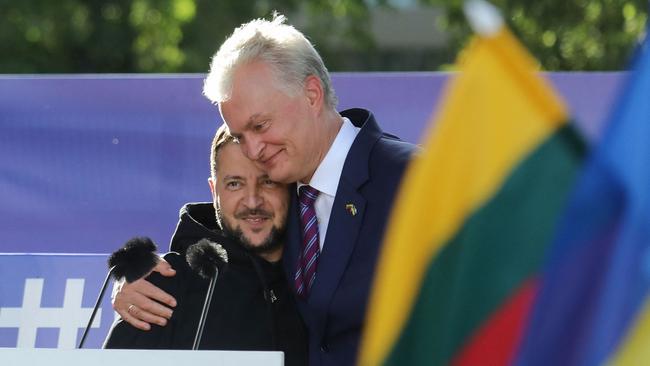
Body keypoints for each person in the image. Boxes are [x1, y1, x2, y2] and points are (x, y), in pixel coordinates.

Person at [112, 13, 417, 366]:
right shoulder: (292, 195)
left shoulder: (414, 180)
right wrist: (153, 282)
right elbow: (235, 242)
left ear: (312, 94)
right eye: (241, 135)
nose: (254, 150)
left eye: (260, 125)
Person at [104, 125, 307, 366]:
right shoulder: (165, 286)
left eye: (268, 182)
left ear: (291, 185)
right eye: (234, 184)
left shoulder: (323, 275)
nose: (253, 200)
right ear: (214, 191)